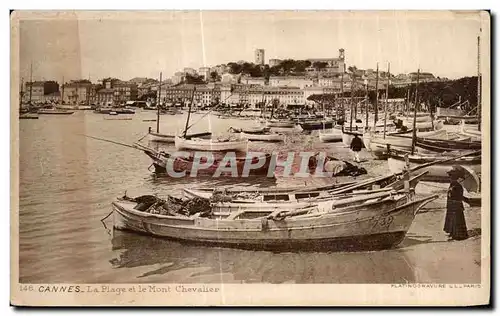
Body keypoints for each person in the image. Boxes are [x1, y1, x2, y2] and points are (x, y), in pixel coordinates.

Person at [443, 165, 471, 241]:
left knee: (456, 220)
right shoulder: (452, 185)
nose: (450, 178)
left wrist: (452, 192)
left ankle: (458, 236)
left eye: (451, 177)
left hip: (456, 205)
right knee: (451, 219)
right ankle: (452, 233)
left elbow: (459, 197)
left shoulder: (458, 186)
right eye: (450, 177)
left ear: (455, 178)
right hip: (451, 205)